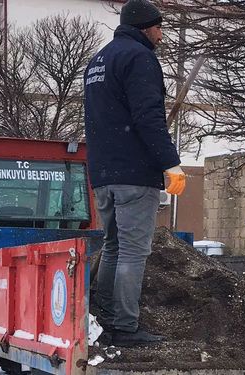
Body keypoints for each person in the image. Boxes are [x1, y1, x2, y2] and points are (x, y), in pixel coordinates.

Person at [84, 0, 186, 347]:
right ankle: (125, 326)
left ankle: (105, 318)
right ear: (147, 27)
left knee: (113, 247)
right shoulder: (140, 58)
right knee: (132, 251)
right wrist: (170, 163)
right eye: (159, 27)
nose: (161, 34)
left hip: (102, 173)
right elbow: (148, 117)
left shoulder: (98, 60)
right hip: (133, 173)